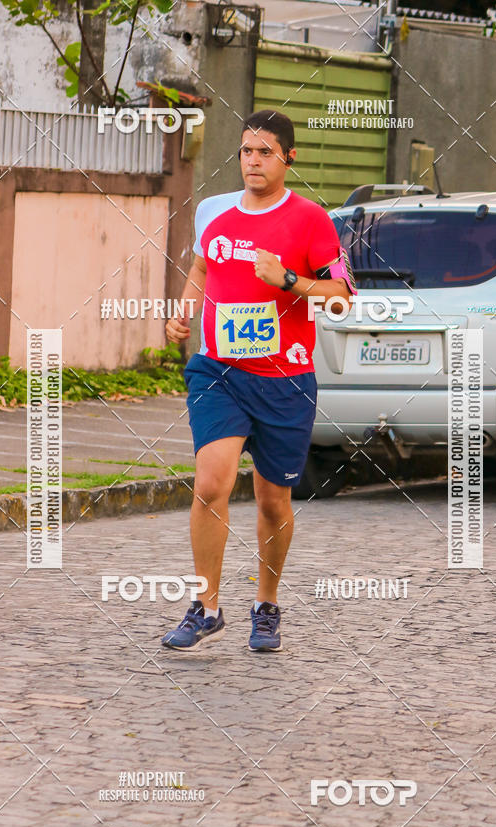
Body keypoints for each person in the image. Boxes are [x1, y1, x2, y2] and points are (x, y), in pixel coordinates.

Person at [161, 109, 354, 652]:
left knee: (273, 502)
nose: (253, 160)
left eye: (265, 151)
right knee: (210, 485)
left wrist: (290, 280)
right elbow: (202, 269)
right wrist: (183, 316)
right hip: (219, 374)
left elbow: (342, 294)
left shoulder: (312, 219)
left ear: (288, 158)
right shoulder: (218, 217)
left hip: (285, 380)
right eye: (246, 150)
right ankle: (206, 606)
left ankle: (266, 604)